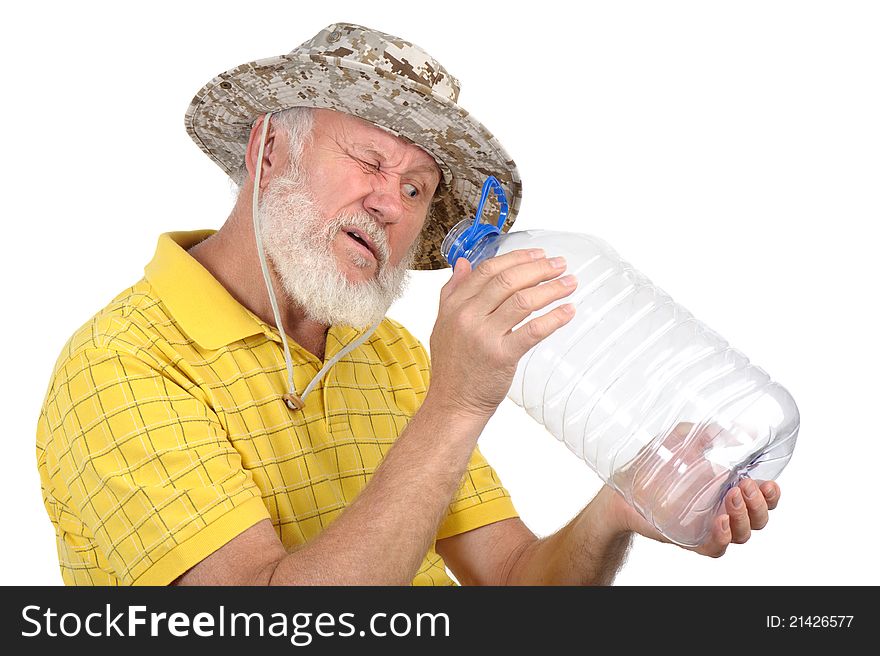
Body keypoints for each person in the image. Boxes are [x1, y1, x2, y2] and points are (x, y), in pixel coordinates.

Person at [36, 22, 780, 586]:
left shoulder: (384, 354)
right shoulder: (121, 366)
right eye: (370, 160)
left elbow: (516, 579)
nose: (391, 202)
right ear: (268, 152)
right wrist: (455, 406)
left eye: (418, 187)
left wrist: (621, 507)